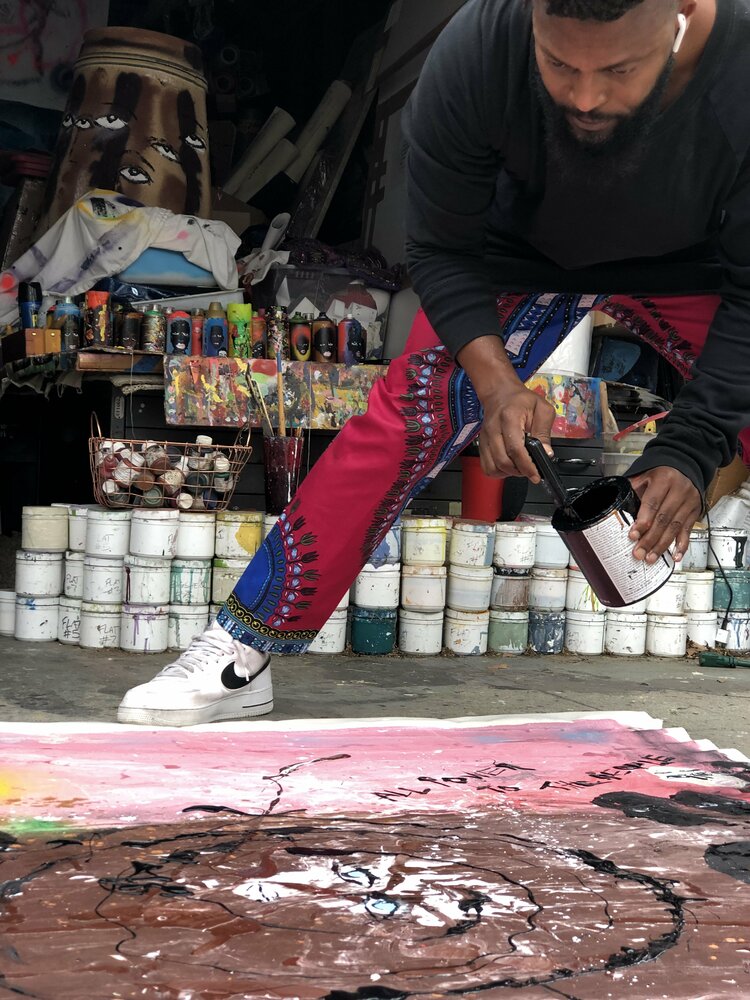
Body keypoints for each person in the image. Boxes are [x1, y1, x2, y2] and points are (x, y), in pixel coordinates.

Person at [118, 0, 750, 726]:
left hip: (692, 267)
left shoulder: (739, 70)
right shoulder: (476, 51)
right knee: (410, 411)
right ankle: (242, 649)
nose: (584, 97)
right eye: (558, 64)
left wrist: (692, 447)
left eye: (619, 69)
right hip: (517, 261)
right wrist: (497, 385)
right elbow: (440, 249)